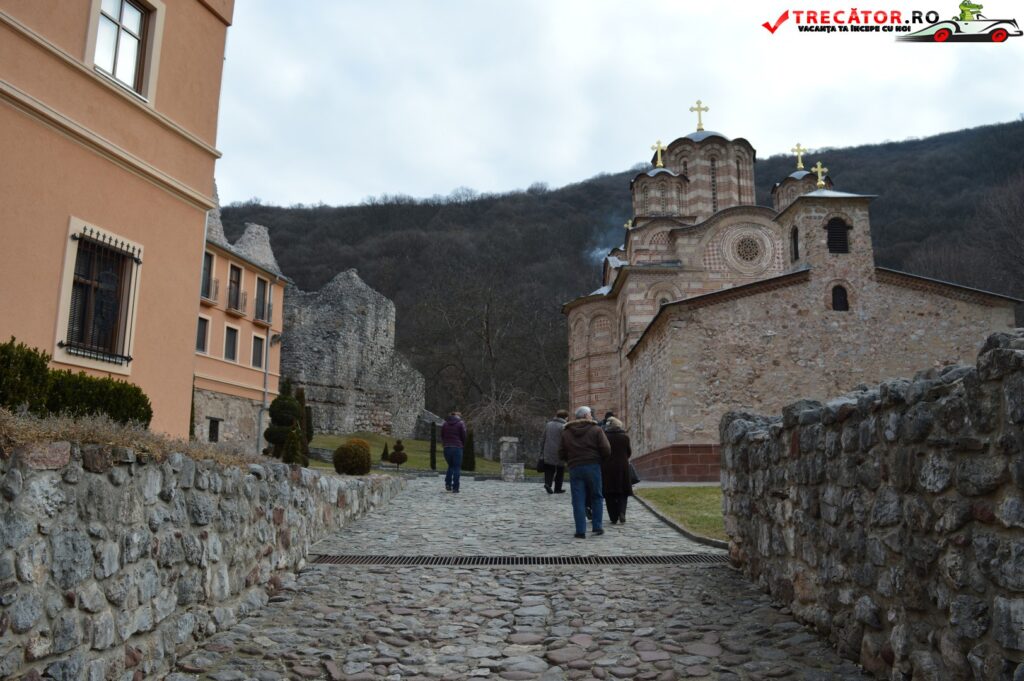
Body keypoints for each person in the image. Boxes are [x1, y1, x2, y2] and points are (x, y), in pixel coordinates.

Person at [559, 406, 610, 539]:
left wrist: (570, 460)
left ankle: (580, 530)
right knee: (596, 496)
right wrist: (600, 460)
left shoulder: (567, 432)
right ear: (586, 415)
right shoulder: (596, 429)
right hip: (593, 465)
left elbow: (561, 452)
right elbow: (606, 449)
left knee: (578, 499)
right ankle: (597, 526)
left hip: (575, 467)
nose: (591, 416)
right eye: (590, 414)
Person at [601, 417, 633, 524]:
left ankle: (613, 516)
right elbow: (628, 452)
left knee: (609, 492)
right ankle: (622, 512)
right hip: (622, 467)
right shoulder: (625, 437)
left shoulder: (604, 437)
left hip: (607, 467)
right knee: (622, 491)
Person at [539, 409, 568, 494]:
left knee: (549, 469)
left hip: (548, 450)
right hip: (559, 451)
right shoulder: (564, 426)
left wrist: (542, 450)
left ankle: (548, 484)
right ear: (565, 417)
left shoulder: (548, 424)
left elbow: (543, 438)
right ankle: (557, 488)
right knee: (560, 470)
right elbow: (566, 439)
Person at [441, 411, 467, 493]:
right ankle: (455, 488)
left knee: (450, 466)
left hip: (447, 447)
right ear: (458, 416)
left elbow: (442, 435)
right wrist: (462, 444)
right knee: (456, 467)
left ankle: (448, 484)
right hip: (457, 447)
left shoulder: (445, 424)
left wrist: (445, 443)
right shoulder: (460, 423)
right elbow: (464, 435)